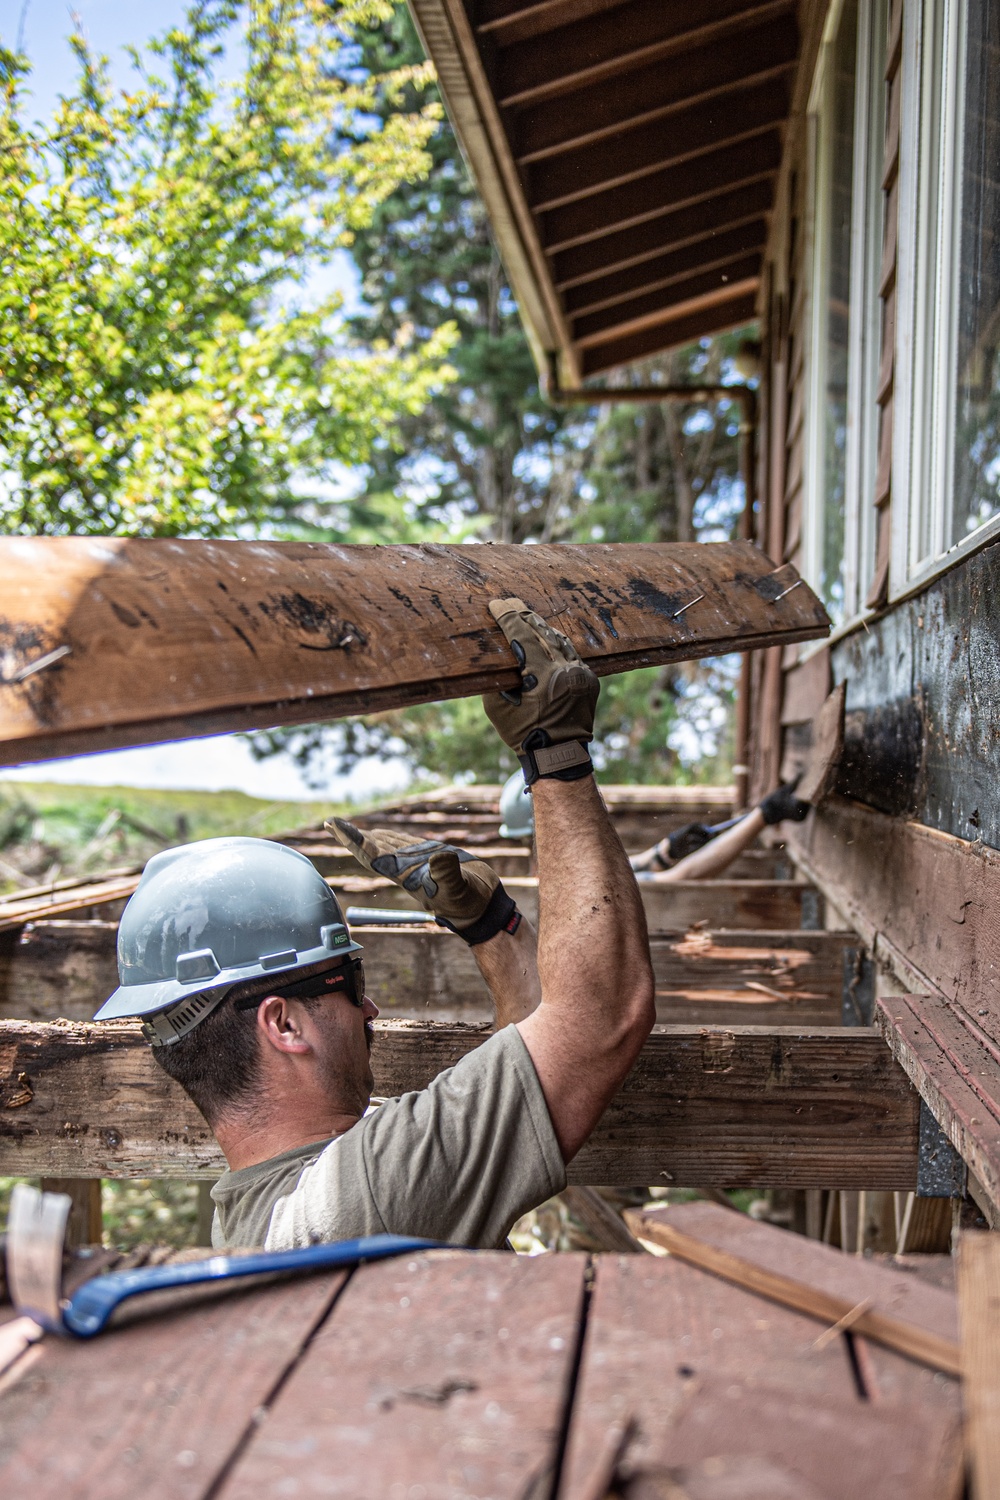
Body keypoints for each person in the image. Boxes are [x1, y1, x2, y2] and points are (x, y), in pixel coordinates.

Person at [94, 598, 655, 1252]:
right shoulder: (360, 1197)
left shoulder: (279, 1207)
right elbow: (599, 1018)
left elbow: (518, 1091)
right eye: (346, 983)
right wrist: (555, 751)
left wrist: (492, 929)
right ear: (282, 1023)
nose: (371, 1009)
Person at [497, 765, 811, 880]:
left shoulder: (563, 873)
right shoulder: (573, 889)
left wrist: (666, 849)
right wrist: (762, 816)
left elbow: (621, 870)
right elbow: (682, 878)